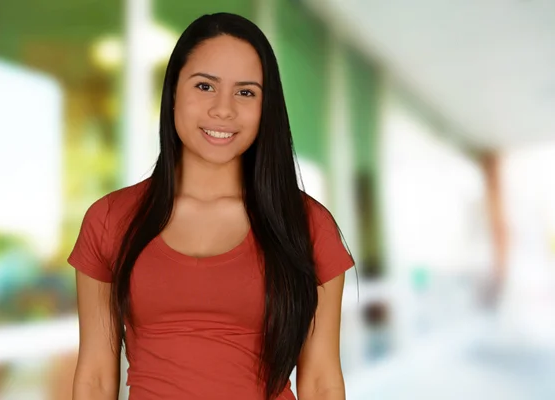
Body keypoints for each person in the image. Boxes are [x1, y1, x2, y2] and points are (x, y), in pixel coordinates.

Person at [68, 12, 354, 400]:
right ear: (172, 94)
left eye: (246, 92)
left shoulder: (306, 224)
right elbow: (95, 378)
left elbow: (321, 381)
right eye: (205, 86)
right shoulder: (110, 219)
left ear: (265, 107)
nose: (224, 110)